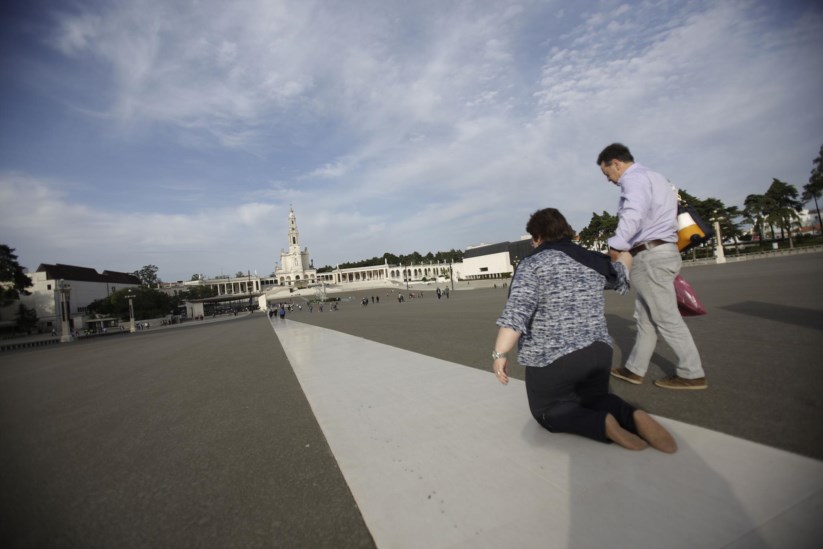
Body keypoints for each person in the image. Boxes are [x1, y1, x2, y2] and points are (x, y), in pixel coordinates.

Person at [493, 208, 676, 452]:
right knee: (596, 398)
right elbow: (621, 272)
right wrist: (622, 252)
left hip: (553, 358)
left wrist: (499, 354)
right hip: (598, 353)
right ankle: (634, 416)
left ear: (537, 237)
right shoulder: (590, 259)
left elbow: (517, 314)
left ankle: (601, 424)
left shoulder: (532, 264)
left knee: (546, 412)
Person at [596, 143, 707, 390]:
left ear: (616, 163)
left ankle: (692, 372)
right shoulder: (657, 178)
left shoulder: (632, 180)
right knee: (646, 318)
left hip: (650, 255)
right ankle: (634, 369)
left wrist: (616, 244)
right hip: (664, 250)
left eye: (608, 174)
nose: (610, 180)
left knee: (666, 318)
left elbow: (633, 213)